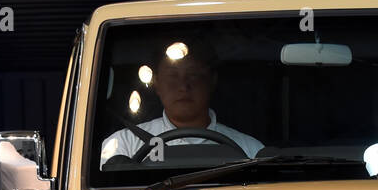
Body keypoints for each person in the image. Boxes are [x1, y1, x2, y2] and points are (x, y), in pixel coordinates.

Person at [99, 38, 262, 167]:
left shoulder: (249, 150)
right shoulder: (123, 145)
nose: (183, 86)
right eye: (172, 76)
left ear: (211, 81)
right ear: (156, 82)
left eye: (193, 75)